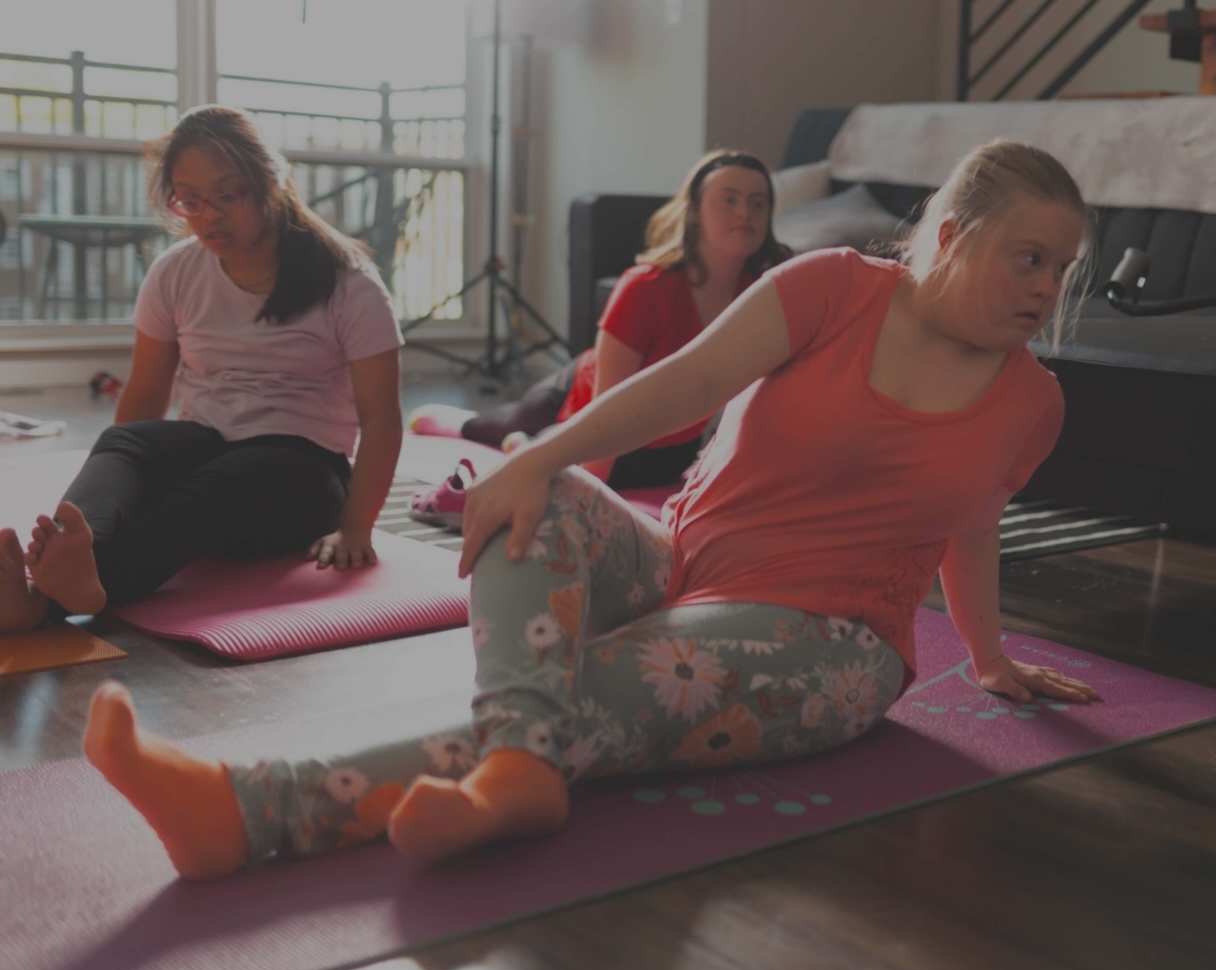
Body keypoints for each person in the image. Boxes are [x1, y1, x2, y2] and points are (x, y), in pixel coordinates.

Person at [80, 139, 1102, 879]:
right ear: (957, 235)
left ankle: (249, 809)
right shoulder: (836, 288)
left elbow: (973, 521)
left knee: (612, 683)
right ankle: (521, 764)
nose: (1047, 288)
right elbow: (688, 381)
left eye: (1063, 268)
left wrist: (988, 655)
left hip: (833, 643)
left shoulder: (1033, 401)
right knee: (536, 493)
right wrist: (540, 458)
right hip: (680, 565)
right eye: (1029, 258)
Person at [0, 105, 404, 634]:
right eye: (188, 199)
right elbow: (144, 397)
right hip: (206, 440)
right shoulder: (175, 272)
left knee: (212, 486)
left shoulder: (349, 283)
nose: (207, 214)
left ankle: (45, 601)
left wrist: (357, 527)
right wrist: (128, 468)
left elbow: (381, 418)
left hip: (303, 466)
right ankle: (77, 555)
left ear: (271, 182)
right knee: (125, 442)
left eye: (227, 196)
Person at [407, 149, 792, 492]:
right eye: (729, 200)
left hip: (666, 448)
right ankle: (470, 427)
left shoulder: (765, 295)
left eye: (758, 204)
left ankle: (534, 443)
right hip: (588, 405)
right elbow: (607, 406)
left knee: (631, 471)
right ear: (694, 212)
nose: (745, 213)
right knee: (509, 424)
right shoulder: (645, 287)